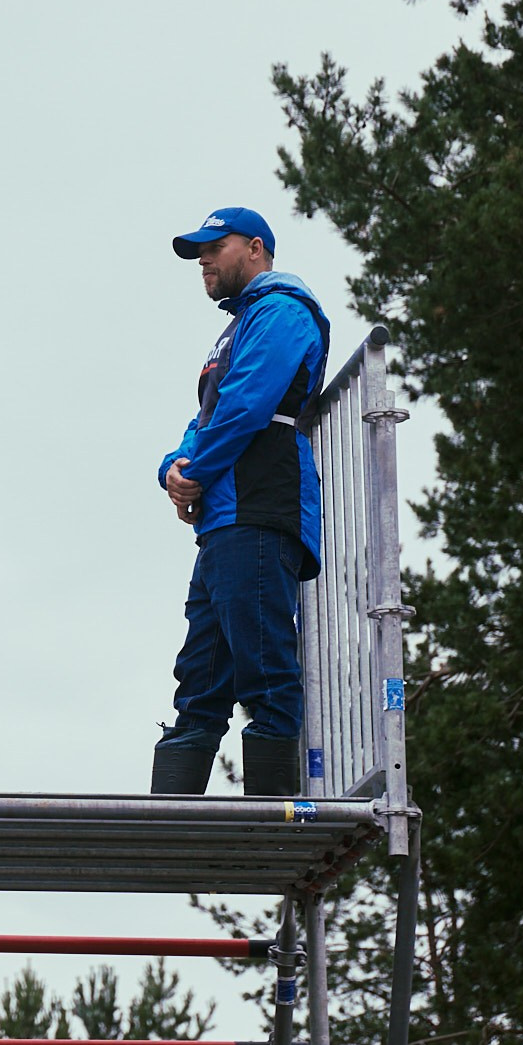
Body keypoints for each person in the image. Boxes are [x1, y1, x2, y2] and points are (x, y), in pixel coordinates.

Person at [150, 207, 331, 798]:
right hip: (224, 522)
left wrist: (195, 473)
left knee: (265, 667)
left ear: (255, 248)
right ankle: (167, 824)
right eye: (198, 250)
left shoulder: (283, 309)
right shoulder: (237, 326)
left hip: (261, 507)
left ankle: (273, 819)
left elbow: (246, 407)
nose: (202, 258)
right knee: (200, 673)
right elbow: (204, 417)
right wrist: (173, 469)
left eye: (214, 246)